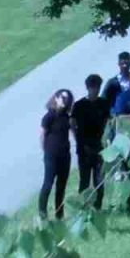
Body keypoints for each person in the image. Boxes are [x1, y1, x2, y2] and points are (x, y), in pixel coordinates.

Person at [37, 88, 75, 218]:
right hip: (51, 156)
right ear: (56, 99)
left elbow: (73, 132)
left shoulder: (67, 117)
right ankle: (42, 214)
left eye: (67, 99)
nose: (65, 100)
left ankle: (59, 214)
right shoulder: (49, 116)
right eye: (62, 98)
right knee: (48, 184)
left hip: (65, 156)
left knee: (61, 186)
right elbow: (42, 136)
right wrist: (46, 152)